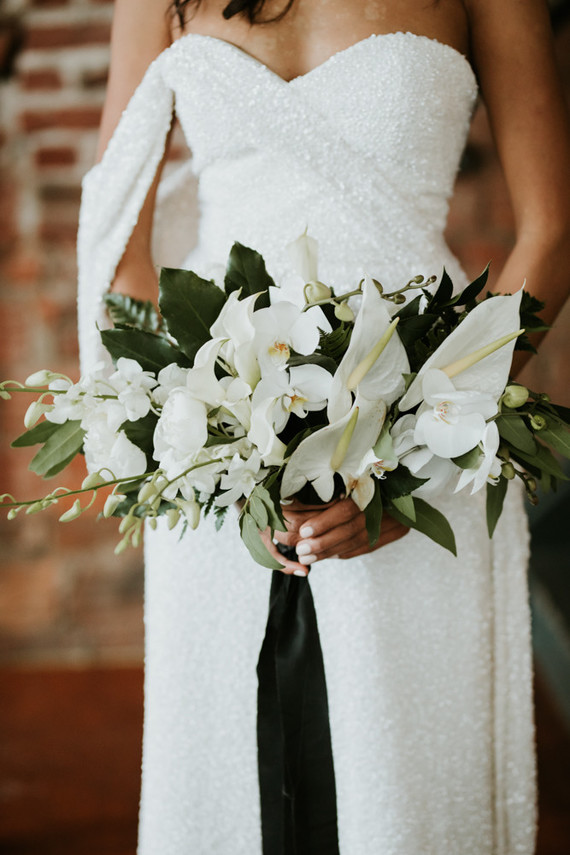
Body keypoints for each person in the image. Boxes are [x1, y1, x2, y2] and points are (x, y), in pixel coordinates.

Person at [77, 0, 570, 852]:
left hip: (428, 426)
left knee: (407, 790)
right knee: (232, 776)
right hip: (222, 431)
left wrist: (415, 447)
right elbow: (119, 239)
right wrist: (206, 439)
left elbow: (553, 231)